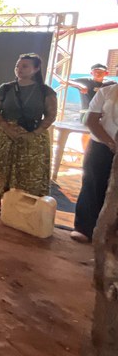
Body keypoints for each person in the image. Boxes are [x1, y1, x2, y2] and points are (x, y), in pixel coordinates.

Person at [0, 54, 57, 217]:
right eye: (18, 66)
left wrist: (35, 133)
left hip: (33, 137)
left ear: (36, 69)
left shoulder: (45, 91)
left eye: (25, 66)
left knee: (28, 171)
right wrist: (7, 127)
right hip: (4, 135)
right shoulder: (5, 88)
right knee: (0, 168)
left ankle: (23, 207)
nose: (20, 69)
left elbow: (51, 114)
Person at [70, 84, 118, 243]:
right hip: (101, 145)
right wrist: (112, 144)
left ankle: (111, 233)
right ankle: (85, 227)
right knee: (93, 184)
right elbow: (91, 120)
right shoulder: (106, 91)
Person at [66, 63, 115, 151]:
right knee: (89, 129)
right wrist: (80, 86)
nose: (97, 74)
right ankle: (86, 152)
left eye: (100, 72)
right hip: (87, 113)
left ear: (106, 73)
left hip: (104, 114)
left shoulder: (110, 84)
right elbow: (64, 80)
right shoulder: (85, 81)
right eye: (95, 72)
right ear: (91, 73)